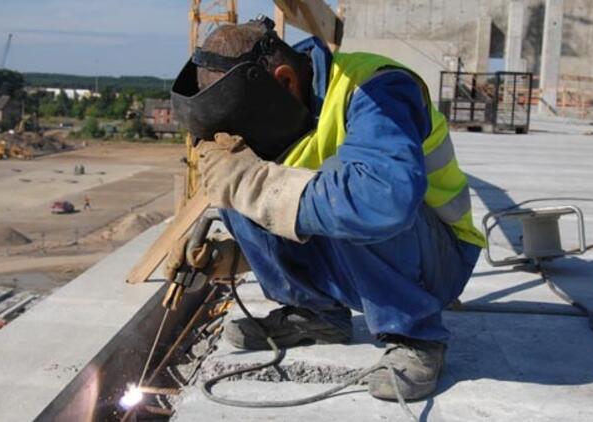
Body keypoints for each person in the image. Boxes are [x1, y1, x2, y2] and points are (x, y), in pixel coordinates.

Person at [167, 16, 485, 401]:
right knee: (242, 180)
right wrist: (230, 256)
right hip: (372, 250)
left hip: (436, 261)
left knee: (346, 189)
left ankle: (415, 335)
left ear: (285, 81)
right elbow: (282, 200)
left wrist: (251, 183)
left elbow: (384, 202)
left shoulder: (378, 88)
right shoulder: (282, 104)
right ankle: (315, 315)